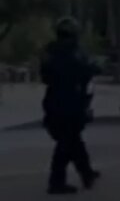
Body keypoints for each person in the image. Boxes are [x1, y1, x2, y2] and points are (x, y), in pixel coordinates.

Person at [40, 16, 101, 194]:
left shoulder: (50, 50)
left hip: (55, 100)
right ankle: (56, 182)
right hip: (71, 101)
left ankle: (86, 172)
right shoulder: (73, 52)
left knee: (72, 139)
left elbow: (45, 76)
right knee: (67, 142)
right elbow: (86, 69)